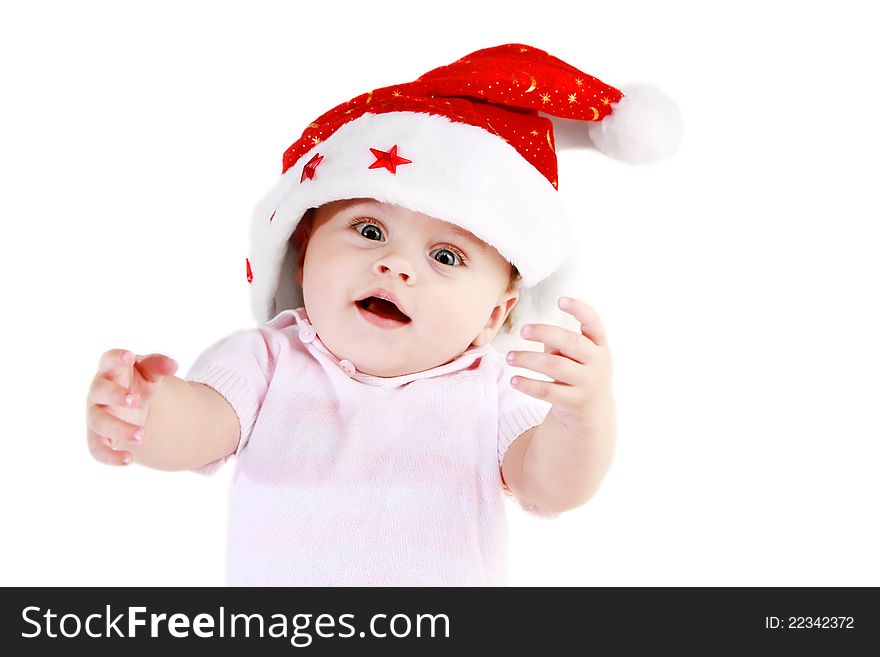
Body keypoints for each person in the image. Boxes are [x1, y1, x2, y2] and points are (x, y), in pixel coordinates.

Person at [85, 44, 680, 585]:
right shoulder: (268, 360)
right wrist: (146, 411)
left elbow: (552, 484)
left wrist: (584, 418)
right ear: (302, 253)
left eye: (446, 255)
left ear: (493, 314)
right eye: (368, 230)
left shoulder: (490, 390)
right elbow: (198, 430)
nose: (397, 265)